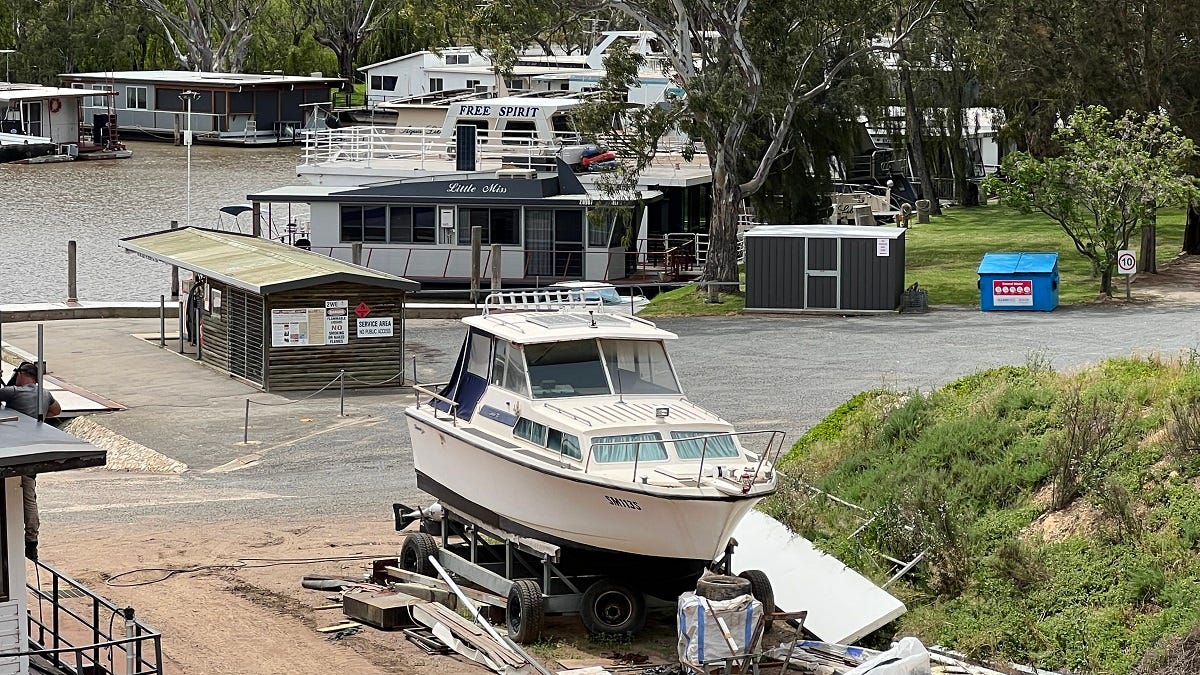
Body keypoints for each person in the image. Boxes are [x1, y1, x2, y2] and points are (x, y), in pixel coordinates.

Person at [0, 362, 61, 560]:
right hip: (34, 451)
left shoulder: (15, 392)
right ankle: (32, 540)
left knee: (15, 493)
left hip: (14, 449)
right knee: (29, 497)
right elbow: (56, 411)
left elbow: (2, 393)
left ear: (21, 374)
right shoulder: (44, 393)